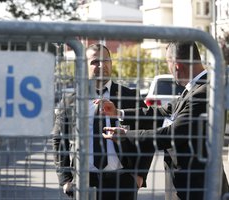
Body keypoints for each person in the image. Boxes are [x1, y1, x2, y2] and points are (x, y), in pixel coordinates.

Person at [99, 41, 229, 200]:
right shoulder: (196, 89)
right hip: (189, 185)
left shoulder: (204, 92)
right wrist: (119, 113)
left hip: (198, 188)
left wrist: (126, 134)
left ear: (176, 65)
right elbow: (162, 112)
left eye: (167, 63)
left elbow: (172, 135)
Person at [52, 43, 153, 200]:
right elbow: (59, 139)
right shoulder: (71, 101)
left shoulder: (130, 97)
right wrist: (65, 180)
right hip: (83, 181)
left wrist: (139, 176)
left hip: (122, 180)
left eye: (106, 60)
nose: (101, 65)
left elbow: (147, 134)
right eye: (94, 62)